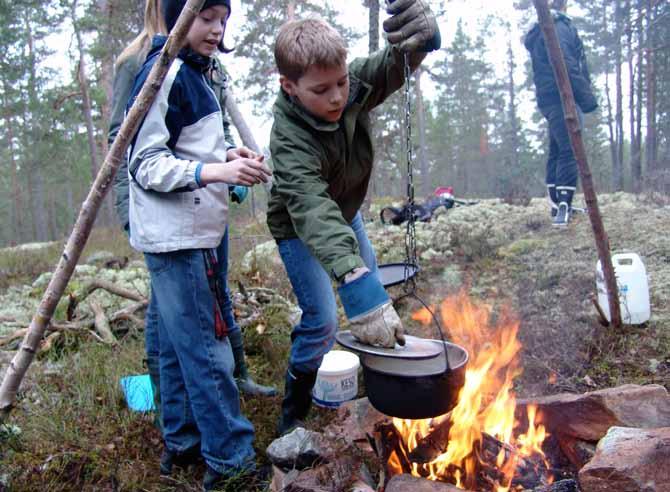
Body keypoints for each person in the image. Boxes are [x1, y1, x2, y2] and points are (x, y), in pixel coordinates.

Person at [267, 0, 441, 435]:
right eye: (321, 90)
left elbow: (390, 66)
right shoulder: (287, 137)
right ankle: (294, 416)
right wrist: (350, 272)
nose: (337, 96)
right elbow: (311, 207)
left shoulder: (354, 84)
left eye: (342, 82)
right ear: (289, 86)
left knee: (370, 304)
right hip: (300, 225)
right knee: (325, 319)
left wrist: (418, 44)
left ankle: (365, 389)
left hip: (344, 214)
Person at [108, 1, 275, 435]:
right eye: (206, 18)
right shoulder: (156, 71)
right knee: (203, 344)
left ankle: (180, 439)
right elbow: (139, 157)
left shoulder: (200, 69)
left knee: (175, 336)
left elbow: (191, 141)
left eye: (223, 19)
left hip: (199, 222)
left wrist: (227, 156)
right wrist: (216, 170)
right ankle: (229, 457)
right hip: (175, 232)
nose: (217, 29)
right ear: (177, 16)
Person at [524, 0, 598, 227]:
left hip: (549, 98)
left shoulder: (542, 30)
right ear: (563, 5)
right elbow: (566, 62)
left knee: (557, 149)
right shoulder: (559, 27)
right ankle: (562, 208)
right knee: (569, 150)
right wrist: (586, 99)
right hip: (563, 96)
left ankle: (558, 204)